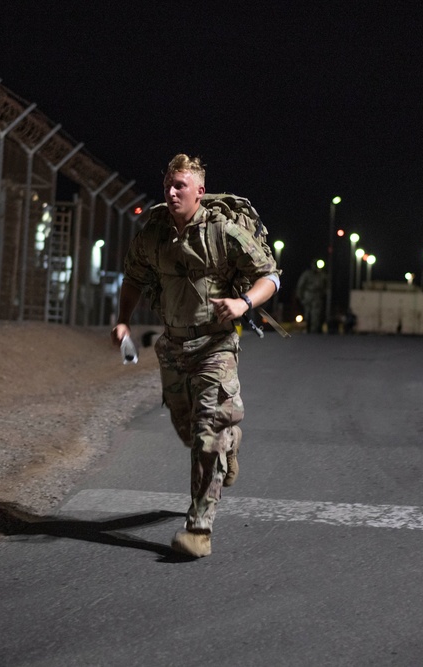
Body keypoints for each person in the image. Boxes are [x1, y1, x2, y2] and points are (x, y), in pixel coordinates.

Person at [110, 154, 280, 558]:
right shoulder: (154, 233)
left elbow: (270, 275)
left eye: (179, 185)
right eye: (168, 184)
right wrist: (122, 321)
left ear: (199, 191)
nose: (171, 192)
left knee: (207, 436)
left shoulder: (224, 230)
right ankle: (230, 442)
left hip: (215, 346)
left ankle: (199, 528)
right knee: (189, 432)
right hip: (173, 346)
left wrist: (243, 304)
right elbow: (134, 277)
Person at [296, 260, 327, 334]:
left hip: (317, 296)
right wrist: (300, 297)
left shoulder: (321, 275)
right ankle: (307, 328)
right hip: (308, 295)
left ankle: (314, 330)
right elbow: (300, 286)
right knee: (307, 313)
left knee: (316, 314)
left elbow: (325, 285)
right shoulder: (307, 274)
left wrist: (323, 294)